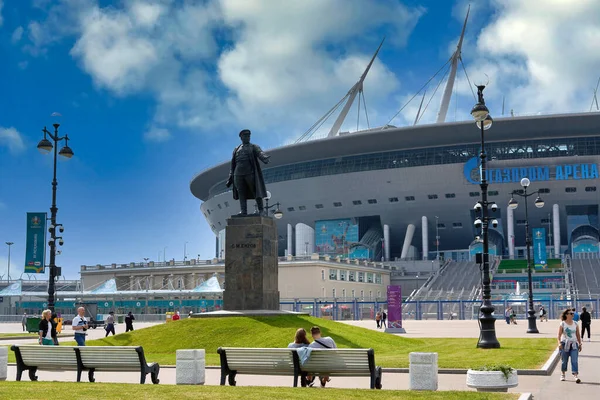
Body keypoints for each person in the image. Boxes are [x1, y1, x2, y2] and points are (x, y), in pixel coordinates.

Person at [225, 129, 271, 216]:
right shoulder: (236, 149)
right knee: (241, 192)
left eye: (249, 136)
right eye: (245, 136)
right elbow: (233, 164)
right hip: (238, 174)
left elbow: (260, 153)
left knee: (255, 191)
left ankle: (261, 210)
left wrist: (264, 158)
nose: (248, 137)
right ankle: (243, 211)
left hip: (250, 172)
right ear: (241, 137)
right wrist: (230, 177)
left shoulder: (253, 146)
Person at [558, 308, 582, 383]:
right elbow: (559, 335)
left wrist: (580, 343)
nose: (572, 314)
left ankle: (575, 375)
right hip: (564, 344)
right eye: (571, 313)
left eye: (573, 313)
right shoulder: (562, 323)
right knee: (564, 361)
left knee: (574, 360)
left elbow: (578, 334)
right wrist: (559, 343)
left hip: (574, 344)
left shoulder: (575, 323)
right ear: (566, 315)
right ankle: (563, 374)